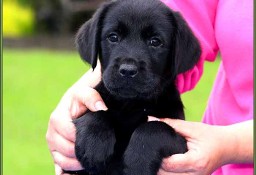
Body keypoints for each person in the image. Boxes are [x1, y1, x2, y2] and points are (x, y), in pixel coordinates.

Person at [46, 0, 253, 174]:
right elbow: (180, 8)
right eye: (113, 37)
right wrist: (73, 108)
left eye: (155, 42)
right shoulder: (95, 120)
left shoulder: (166, 120)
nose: (128, 65)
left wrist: (230, 144)